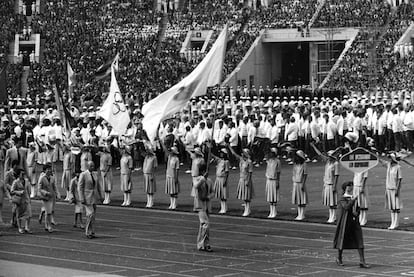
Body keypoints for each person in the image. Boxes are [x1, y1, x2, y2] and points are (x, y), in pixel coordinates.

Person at [333, 181, 370, 268]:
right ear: (345, 188)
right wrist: (353, 200)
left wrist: (357, 212)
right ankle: (339, 257)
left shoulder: (353, 197)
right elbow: (346, 207)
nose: (350, 187)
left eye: (351, 186)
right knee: (342, 240)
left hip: (354, 221)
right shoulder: (342, 198)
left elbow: (357, 208)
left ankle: (362, 261)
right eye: (348, 186)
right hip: (345, 222)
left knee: (359, 239)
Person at [311, 143, 340, 223]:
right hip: (326, 183)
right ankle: (331, 215)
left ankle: (333, 216)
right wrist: (313, 146)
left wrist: (335, 185)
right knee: (329, 201)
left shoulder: (336, 164)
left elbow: (337, 175)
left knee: (332, 202)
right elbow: (320, 154)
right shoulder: (328, 162)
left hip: (331, 184)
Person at [78, 161, 103, 239]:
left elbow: (98, 186)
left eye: (93, 166)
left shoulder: (95, 174)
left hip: (94, 197)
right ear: (88, 166)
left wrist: (101, 196)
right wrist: (81, 198)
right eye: (91, 166)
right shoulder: (84, 174)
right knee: (90, 214)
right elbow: (80, 187)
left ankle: (92, 231)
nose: (92, 167)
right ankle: (88, 231)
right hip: (87, 197)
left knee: (93, 216)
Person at [193, 163, 214, 252]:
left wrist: (209, 197)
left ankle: (205, 244)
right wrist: (202, 178)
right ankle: (202, 243)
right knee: (205, 224)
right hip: (200, 205)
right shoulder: (197, 179)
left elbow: (213, 192)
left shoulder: (209, 181)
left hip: (207, 205)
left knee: (204, 226)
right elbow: (196, 186)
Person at [379, 153, 403, 230]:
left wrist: (397, 189)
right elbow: (381, 161)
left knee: (396, 207)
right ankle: (392, 222)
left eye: (390, 158)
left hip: (394, 189)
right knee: (392, 207)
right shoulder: (388, 165)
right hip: (388, 188)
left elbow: (399, 179)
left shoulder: (398, 167)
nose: (389, 160)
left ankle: (396, 223)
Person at [229, 147, 254, 217]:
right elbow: (234, 154)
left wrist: (248, 181)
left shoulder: (249, 162)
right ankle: (246, 209)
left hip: (246, 179)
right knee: (244, 195)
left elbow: (250, 172)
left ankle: (247, 209)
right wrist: (229, 146)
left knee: (247, 195)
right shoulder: (242, 160)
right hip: (242, 179)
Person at [38, 163, 60, 233]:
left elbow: (55, 187)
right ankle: (49, 225)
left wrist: (57, 194)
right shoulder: (42, 178)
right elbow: (39, 188)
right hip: (45, 197)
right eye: (48, 169)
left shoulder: (52, 178)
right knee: (48, 212)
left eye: (50, 169)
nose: (49, 171)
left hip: (51, 197)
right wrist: (45, 193)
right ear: (45, 170)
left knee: (49, 211)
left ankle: (46, 225)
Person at [10, 168, 32, 234]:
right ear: (18, 175)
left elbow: (28, 190)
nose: (23, 175)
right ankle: (20, 227)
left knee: (29, 214)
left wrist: (29, 197)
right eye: (22, 174)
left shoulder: (26, 181)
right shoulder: (16, 182)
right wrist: (19, 192)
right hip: (19, 201)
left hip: (26, 200)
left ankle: (27, 227)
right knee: (19, 214)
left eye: (23, 174)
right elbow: (12, 191)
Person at [291, 150, 308, 220]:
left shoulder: (304, 164)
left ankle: (302, 214)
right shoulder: (295, 164)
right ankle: (299, 213)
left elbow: (305, 174)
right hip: (295, 182)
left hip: (301, 182)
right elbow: (294, 173)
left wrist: (303, 184)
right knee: (298, 199)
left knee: (302, 199)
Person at [212, 148, 230, 214]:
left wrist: (225, 180)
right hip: (218, 178)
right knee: (220, 193)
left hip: (223, 178)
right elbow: (213, 156)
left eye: (222, 153)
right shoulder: (219, 161)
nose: (221, 154)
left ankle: (224, 207)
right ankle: (222, 207)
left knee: (223, 194)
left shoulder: (226, 162)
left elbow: (227, 172)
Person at [265, 147, 281, 218]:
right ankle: (271, 210)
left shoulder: (277, 161)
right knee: (270, 196)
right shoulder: (269, 160)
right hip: (269, 179)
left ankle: (274, 211)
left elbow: (278, 172)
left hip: (274, 179)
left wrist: (278, 181)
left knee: (274, 196)